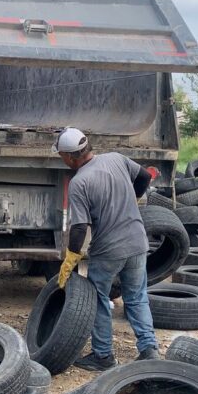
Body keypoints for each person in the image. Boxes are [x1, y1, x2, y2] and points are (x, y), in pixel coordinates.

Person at [54, 127, 158, 371]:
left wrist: (70, 259)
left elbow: (80, 227)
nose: (62, 160)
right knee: (137, 297)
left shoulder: (80, 182)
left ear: (70, 157)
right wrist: (132, 199)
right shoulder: (116, 158)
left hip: (109, 250)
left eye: (61, 156)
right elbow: (144, 176)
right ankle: (149, 348)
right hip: (137, 243)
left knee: (98, 299)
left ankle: (103, 356)